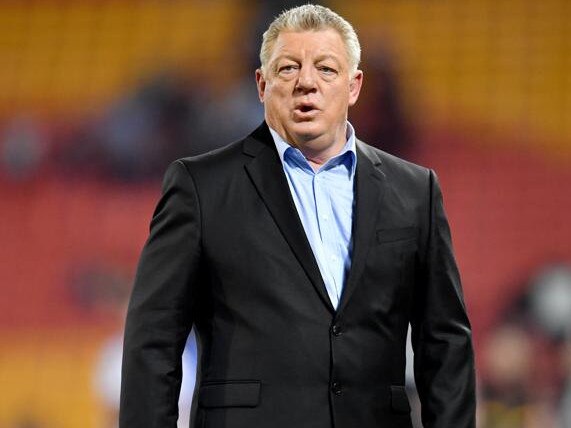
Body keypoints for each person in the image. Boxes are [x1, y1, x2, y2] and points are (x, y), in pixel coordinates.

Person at [119, 5, 475, 428]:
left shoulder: (415, 191)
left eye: (326, 69)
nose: (307, 83)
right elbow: (153, 339)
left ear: (354, 85)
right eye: (288, 68)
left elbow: (445, 344)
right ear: (261, 84)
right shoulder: (201, 186)